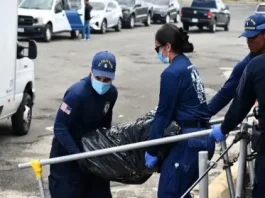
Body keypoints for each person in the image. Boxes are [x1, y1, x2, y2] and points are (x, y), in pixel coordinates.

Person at [144, 23, 216, 198]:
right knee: (182, 192)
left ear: (167, 47)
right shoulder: (188, 65)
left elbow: (162, 115)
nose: (157, 54)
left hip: (189, 143)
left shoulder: (171, 73)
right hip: (203, 138)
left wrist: (151, 150)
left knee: (168, 194)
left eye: (157, 49)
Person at [48, 51, 118, 198]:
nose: (102, 82)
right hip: (67, 154)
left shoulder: (111, 94)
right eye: (98, 78)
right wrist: (77, 155)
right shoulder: (76, 94)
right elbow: (60, 127)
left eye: (107, 80)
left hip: (92, 153)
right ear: (91, 72)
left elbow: (106, 122)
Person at [210, 52, 265, 197]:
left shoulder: (256, 65)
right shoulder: (252, 63)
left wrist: (223, 128)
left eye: (254, 37)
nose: (249, 42)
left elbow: (240, 105)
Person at [207, 14, 265, 117]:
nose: (249, 42)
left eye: (253, 37)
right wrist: (200, 117)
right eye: (247, 37)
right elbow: (225, 95)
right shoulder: (245, 66)